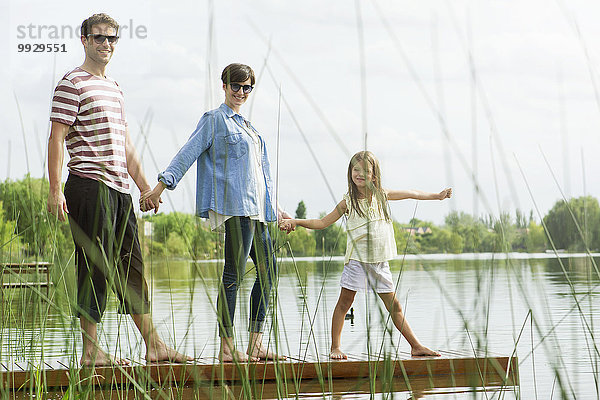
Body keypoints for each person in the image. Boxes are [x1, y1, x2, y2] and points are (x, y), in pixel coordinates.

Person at [47, 13, 191, 366]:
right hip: (87, 185)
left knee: (132, 267)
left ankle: (154, 346)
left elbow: (125, 145)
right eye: (99, 38)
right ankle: (91, 351)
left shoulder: (115, 88)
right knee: (94, 265)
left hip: (119, 190)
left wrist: (145, 188)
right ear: (84, 40)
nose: (106, 44)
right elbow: (56, 138)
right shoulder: (71, 83)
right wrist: (55, 189)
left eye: (112, 38)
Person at [141, 63, 290, 363]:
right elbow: (187, 153)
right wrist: (160, 187)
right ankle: (226, 347)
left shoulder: (250, 128)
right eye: (236, 86)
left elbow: (259, 176)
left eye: (247, 87)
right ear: (224, 86)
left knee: (269, 270)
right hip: (234, 209)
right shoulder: (214, 120)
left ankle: (256, 343)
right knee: (232, 274)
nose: (241, 92)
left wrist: (277, 209)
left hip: (258, 212)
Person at [280, 151, 451, 359]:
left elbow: (412, 193)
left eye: (365, 171)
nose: (359, 174)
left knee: (394, 305)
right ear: (350, 172)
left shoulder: (381, 195)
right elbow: (322, 223)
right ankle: (335, 347)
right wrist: (296, 222)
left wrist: (437, 196)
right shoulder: (348, 202)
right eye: (355, 169)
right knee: (344, 303)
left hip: (379, 263)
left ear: (374, 175)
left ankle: (416, 346)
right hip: (357, 262)